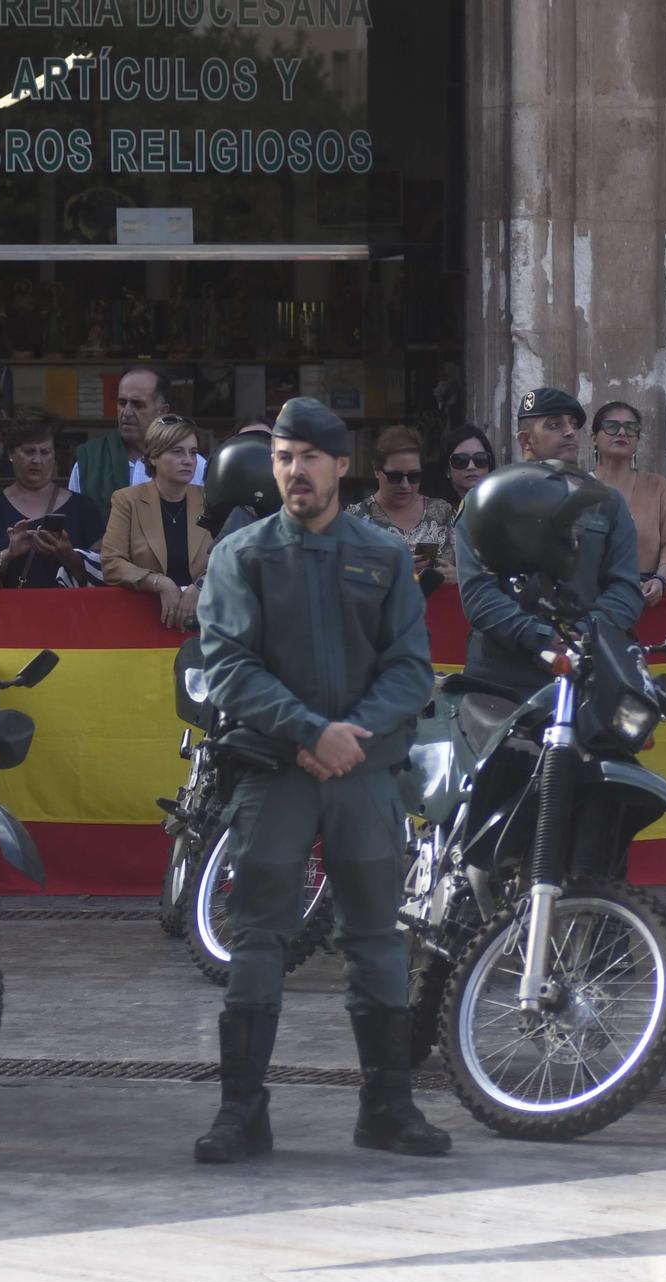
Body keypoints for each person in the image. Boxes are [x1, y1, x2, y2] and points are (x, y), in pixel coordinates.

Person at [193, 396, 445, 1164]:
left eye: (307, 456)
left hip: (363, 772)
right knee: (260, 936)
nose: (293, 471)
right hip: (277, 771)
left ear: (342, 467)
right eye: (282, 456)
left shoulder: (385, 554)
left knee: (377, 938)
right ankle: (242, 1110)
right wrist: (311, 731)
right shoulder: (243, 555)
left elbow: (410, 667)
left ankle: (388, 1107)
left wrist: (350, 737)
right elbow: (227, 663)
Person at [456, 387, 644, 693]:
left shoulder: (607, 502)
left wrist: (579, 633)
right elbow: (479, 594)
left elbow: (625, 589)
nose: (570, 432)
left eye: (573, 424)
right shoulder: (488, 500)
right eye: (555, 425)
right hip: (500, 676)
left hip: (582, 672)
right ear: (525, 440)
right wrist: (540, 636)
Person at [0, 409, 102, 588]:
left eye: (45, 452)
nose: (37, 460)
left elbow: (104, 574)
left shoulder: (83, 508)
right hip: (7, 613)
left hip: (67, 613)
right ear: (11, 454)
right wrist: (8, 555)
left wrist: (68, 555)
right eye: (29, 451)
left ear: (54, 456)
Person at [102, 415, 213, 628]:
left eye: (193, 452)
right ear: (153, 457)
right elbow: (111, 563)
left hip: (202, 624)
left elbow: (228, 560)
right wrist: (158, 583)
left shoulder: (210, 501)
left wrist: (200, 585)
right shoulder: (127, 500)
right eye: (177, 451)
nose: (189, 460)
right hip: (142, 623)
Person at [67, 366, 206, 522]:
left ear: (162, 411)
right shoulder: (90, 460)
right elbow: (75, 528)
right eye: (121, 402)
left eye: (137, 404)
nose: (126, 412)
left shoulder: (194, 464)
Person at [591, 401, 666, 606]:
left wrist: (660, 580)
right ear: (594, 439)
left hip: (648, 595)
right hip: (593, 597)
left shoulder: (658, 486)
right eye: (611, 426)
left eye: (631, 428)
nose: (622, 432)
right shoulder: (578, 486)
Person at [347, 426, 456, 585]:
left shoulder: (443, 512)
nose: (405, 485)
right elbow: (343, 575)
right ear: (377, 470)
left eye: (414, 476)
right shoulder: (355, 518)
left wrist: (457, 576)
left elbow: (472, 568)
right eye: (395, 477)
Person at [442, 424, 495, 511]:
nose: (471, 467)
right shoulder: (436, 512)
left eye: (480, 459)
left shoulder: (502, 506)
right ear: (447, 469)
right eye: (461, 461)